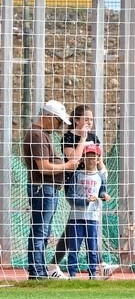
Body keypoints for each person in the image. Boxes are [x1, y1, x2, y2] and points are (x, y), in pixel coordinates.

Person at [49, 105, 118, 280]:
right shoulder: (68, 138)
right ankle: (54, 265)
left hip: (93, 183)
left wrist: (104, 174)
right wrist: (83, 139)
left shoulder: (95, 138)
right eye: (86, 119)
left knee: (87, 224)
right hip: (76, 184)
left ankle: (99, 265)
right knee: (76, 223)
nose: (89, 122)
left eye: (91, 119)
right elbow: (74, 160)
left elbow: (100, 162)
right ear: (77, 120)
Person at [23, 100, 79, 280]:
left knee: (44, 231)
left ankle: (38, 270)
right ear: (49, 117)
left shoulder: (44, 134)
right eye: (59, 121)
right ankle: (37, 272)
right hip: (43, 188)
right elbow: (43, 167)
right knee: (40, 230)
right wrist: (67, 165)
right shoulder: (37, 135)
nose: (60, 126)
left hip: (49, 188)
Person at [64, 144, 111, 279]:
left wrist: (104, 196)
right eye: (88, 157)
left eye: (94, 158)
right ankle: (72, 274)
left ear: (98, 159)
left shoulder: (100, 177)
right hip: (76, 217)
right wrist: (85, 200)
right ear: (83, 159)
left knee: (92, 248)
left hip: (92, 217)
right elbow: (70, 196)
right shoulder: (77, 175)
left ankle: (93, 274)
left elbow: (102, 191)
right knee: (74, 248)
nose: (91, 160)